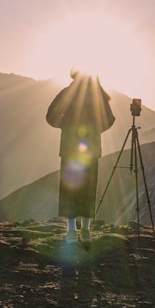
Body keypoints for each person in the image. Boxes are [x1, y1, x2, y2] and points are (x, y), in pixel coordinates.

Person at [46, 69, 115, 243]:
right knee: (88, 188)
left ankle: (71, 231)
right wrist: (95, 130)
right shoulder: (99, 96)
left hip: (69, 148)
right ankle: (85, 231)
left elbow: (50, 117)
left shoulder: (67, 93)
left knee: (71, 189)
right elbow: (110, 119)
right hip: (91, 149)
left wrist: (65, 125)